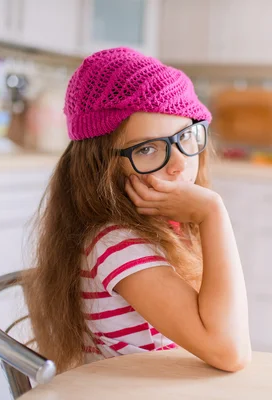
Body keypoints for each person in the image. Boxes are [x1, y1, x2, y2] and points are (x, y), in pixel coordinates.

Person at [22, 47, 251, 373]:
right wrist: (214, 212)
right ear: (102, 164)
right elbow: (231, 352)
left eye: (185, 136)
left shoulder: (154, 227)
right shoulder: (117, 244)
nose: (179, 164)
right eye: (147, 148)